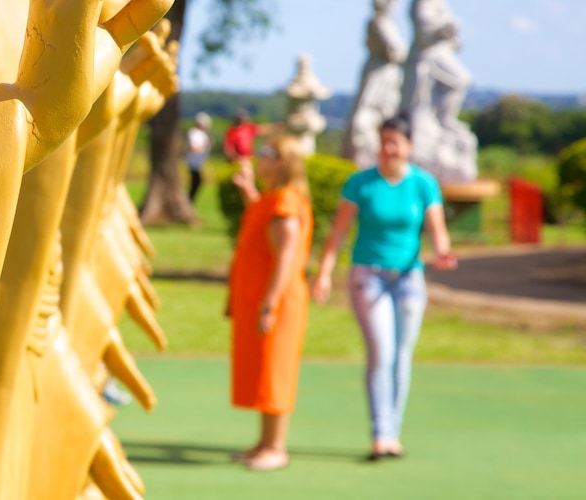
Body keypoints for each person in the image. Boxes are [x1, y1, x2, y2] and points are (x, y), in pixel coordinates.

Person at [311, 114, 457, 461]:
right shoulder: (361, 183)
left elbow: (436, 229)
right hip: (368, 276)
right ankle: (380, 433)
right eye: (384, 141)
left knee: (402, 355)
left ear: (409, 146)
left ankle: (394, 431)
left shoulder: (423, 184)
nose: (388, 149)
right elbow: (339, 232)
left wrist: (442, 252)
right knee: (382, 352)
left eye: (395, 142)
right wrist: (325, 273)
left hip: (408, 278)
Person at [227, 135, 313, 472]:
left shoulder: (287, 203)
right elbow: (261, 223)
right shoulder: (273, 199)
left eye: (268, 153)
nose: (260, 157)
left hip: (277, 300)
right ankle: (263, 443)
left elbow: (286, 259)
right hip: (261, 297)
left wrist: (270, 304)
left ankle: (276, 447)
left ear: (284, 162)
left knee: (275, 370)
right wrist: (248, 190)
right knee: (263, 369)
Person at [186, 112, 213, 201]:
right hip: (193, 163)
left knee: (197, 183)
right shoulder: (194, 133)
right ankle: (189, 201)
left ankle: (189, 201)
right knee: (196, 183)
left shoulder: (202, 134)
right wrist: (206, 144)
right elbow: (194, 148)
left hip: (198, 164)